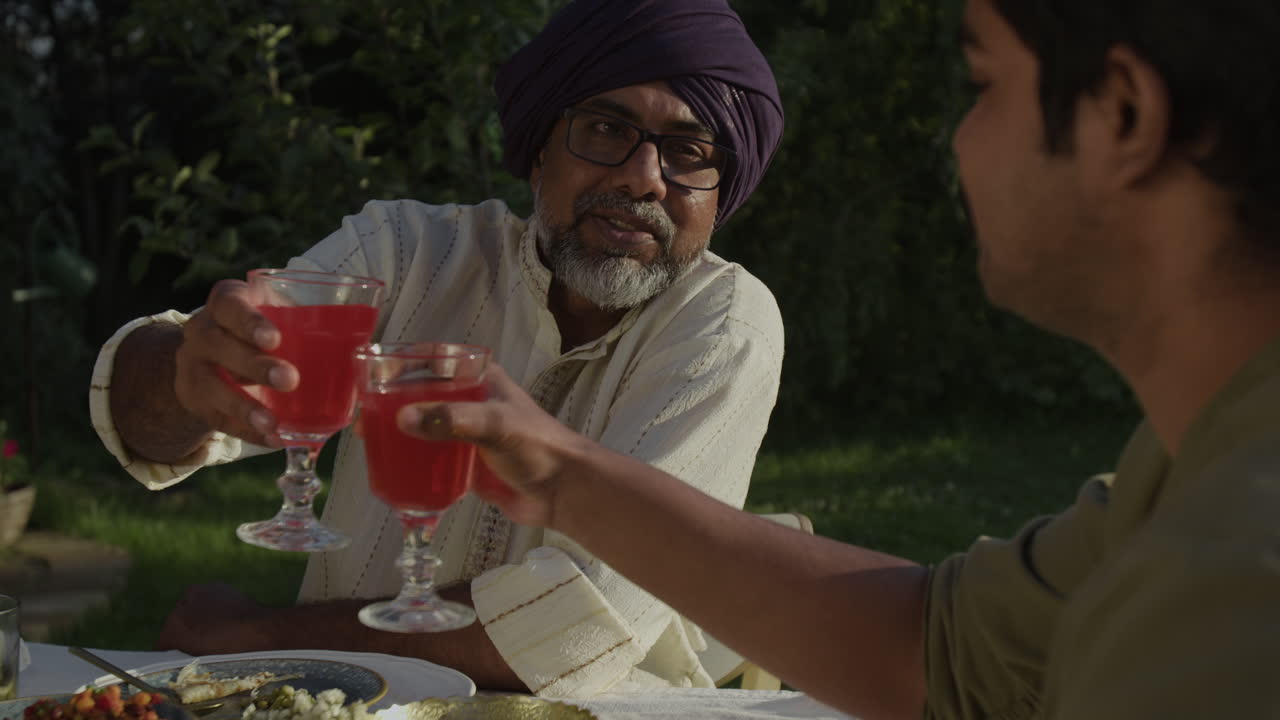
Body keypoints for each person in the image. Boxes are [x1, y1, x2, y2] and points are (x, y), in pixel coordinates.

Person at [400, 0, 1280, 717]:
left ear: (1122, 115)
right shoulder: (1187, 475)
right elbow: (926, 647)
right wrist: (561, 476)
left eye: (983, 84)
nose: (960, 139)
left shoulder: (1232, 581)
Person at [88, 0, 785, 697]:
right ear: (541, 149)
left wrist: (257, 637)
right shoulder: (407, 254)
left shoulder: (724, 325)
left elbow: (574, 632)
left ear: (721, 191)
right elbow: (151, 416)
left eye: (689, 152)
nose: (643, 177)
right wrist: (184, 374)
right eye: (606, 129)